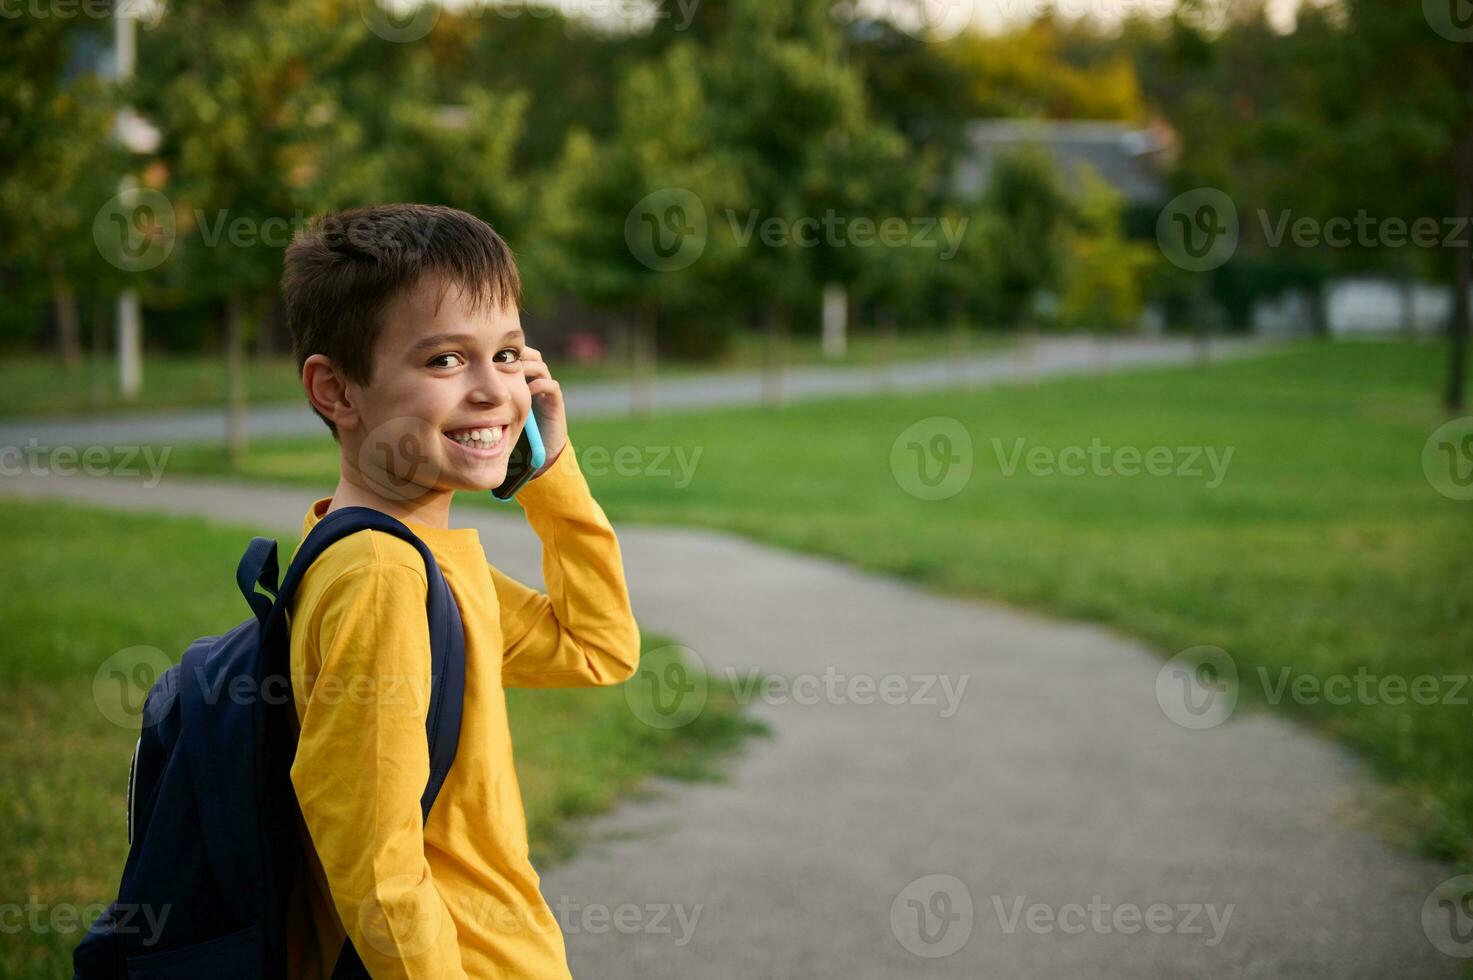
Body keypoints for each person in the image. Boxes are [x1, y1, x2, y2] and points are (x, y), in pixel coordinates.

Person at [277, 202, 641, 978]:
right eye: (445, 360)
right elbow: (376, 871)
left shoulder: (419, 561)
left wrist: (546, 469)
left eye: (508, 355)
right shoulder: (380, 576)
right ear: (336, 390)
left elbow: (598, 647)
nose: (491, 391)